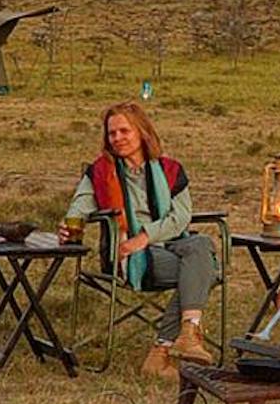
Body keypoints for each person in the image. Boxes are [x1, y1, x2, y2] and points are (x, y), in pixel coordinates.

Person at [60, 97, 219, 379]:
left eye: (125, 131)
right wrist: (68, 226)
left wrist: (145, 236)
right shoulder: (100, 171)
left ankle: (166, 348)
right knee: (204, 269)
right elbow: (80, 206)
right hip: (128, 254)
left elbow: (180, 218)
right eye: (112, 133)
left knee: (201, 246)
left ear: (142, 132)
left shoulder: (170, 170)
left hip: (167, 244)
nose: (118, 138)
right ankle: (183, 336)